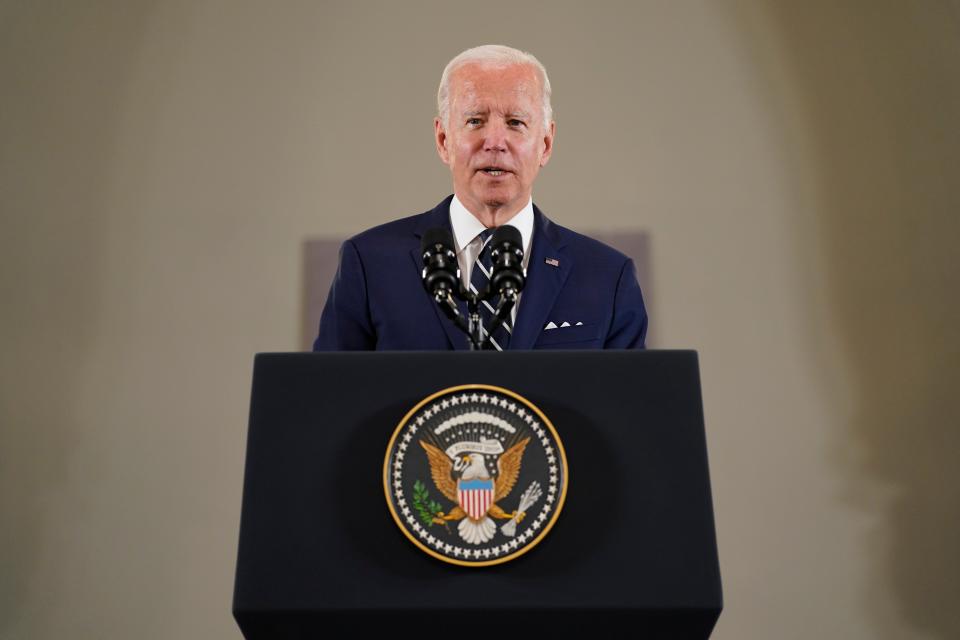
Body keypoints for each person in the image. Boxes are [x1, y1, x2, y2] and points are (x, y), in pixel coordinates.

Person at [313, 44, 647, 351]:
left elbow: (630, 412)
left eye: (515, 122)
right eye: (475, 121)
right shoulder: (370, 265)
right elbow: (328, 399)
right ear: (444, 140)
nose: (495, 141)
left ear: (545, 144)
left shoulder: (607, 276)